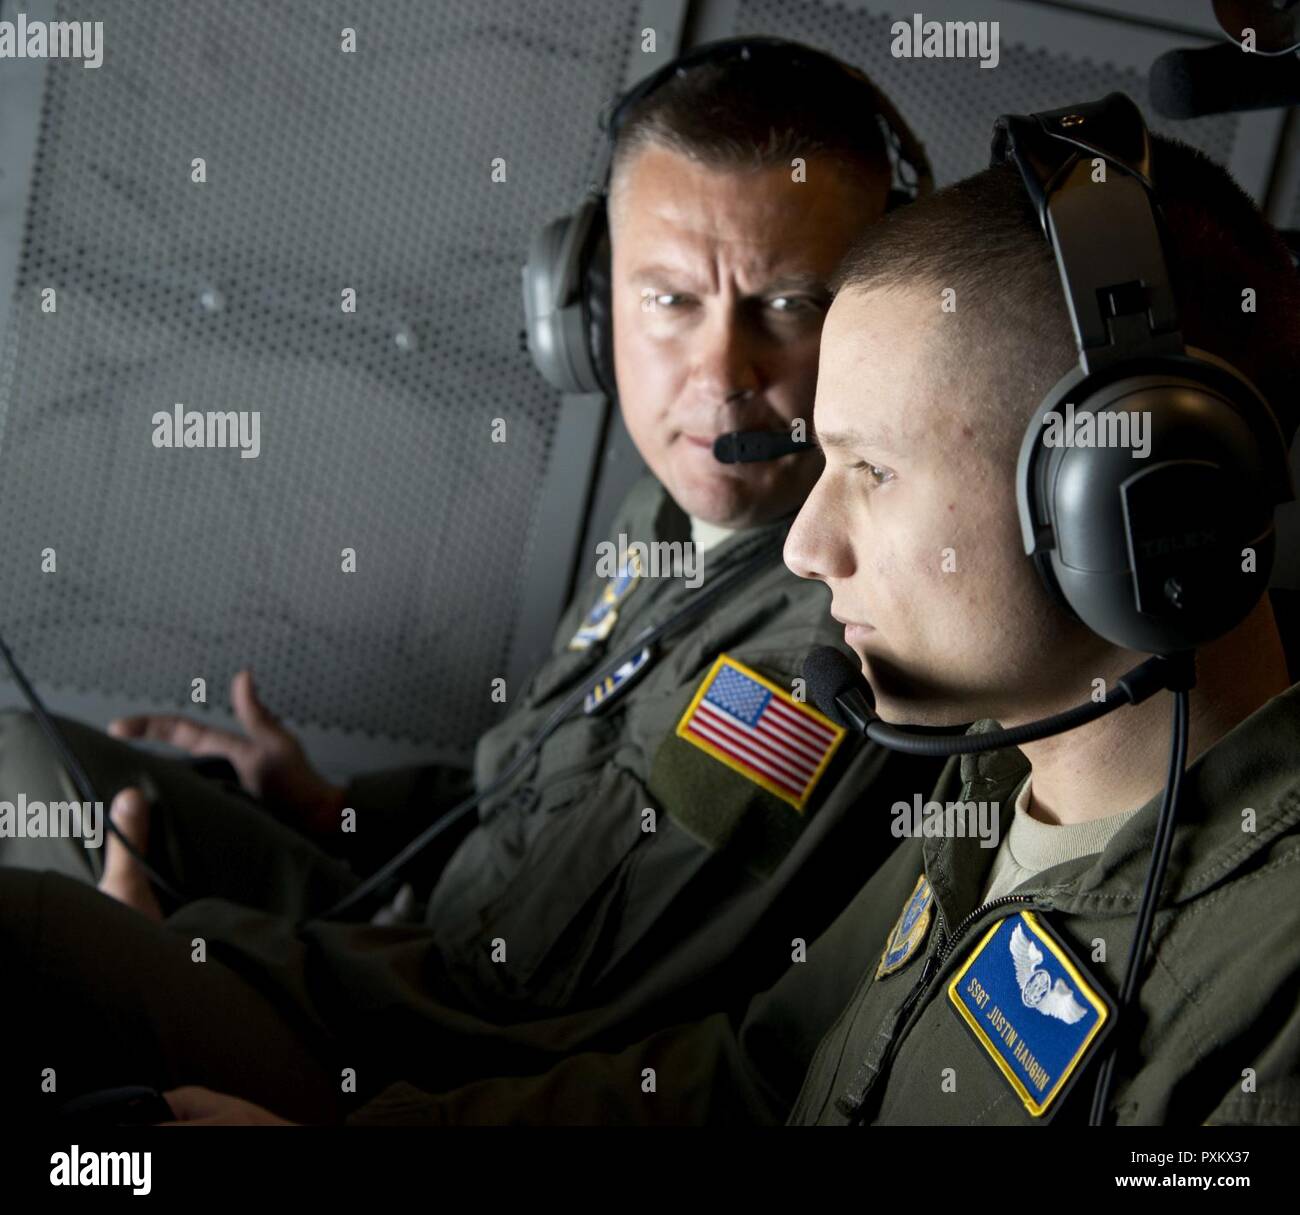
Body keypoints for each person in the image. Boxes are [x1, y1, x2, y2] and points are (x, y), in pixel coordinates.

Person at [164, 99, 1300, 1127]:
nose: (807, 545)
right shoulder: (992, 781)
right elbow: (757, 1077)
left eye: (873, 471)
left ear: (1136, 498)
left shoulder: (1271, 993)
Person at [0, 40, 942, 1122]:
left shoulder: (818, 653)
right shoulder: (667, 510)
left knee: (27, 939)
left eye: (787, 305)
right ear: (588, 306)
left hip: (427, 1057)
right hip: (408, 935)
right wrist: (339, 810)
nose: (721, 374)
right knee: (21, 753)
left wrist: (192, 951)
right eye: (671, 300)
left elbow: (525, 999)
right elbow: (548, 794)